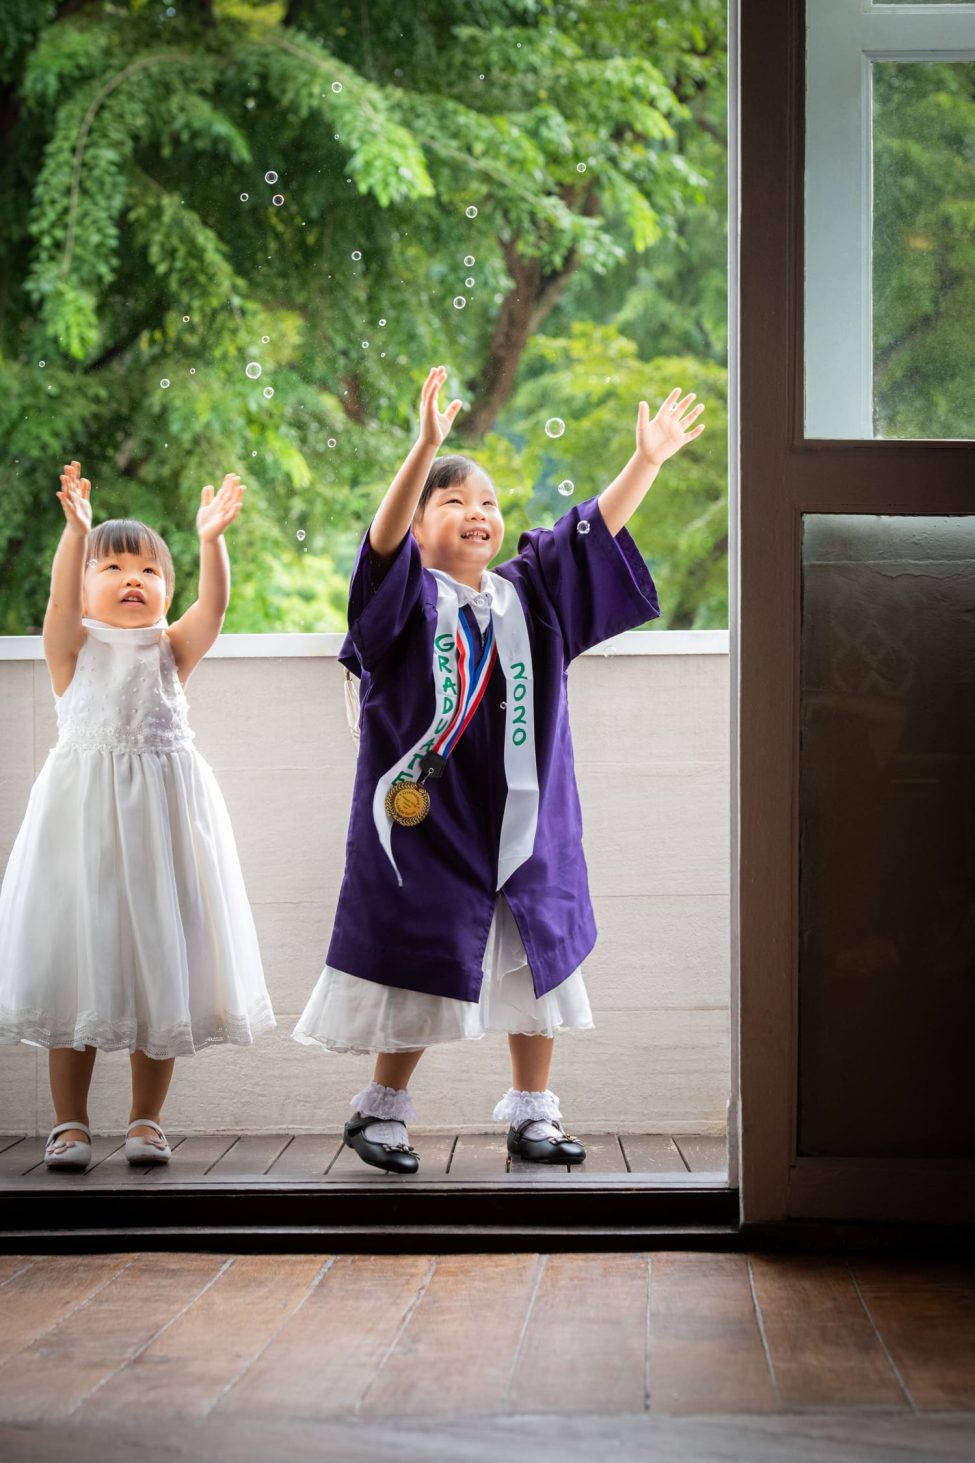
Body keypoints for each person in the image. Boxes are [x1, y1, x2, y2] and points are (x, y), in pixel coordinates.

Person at [294, 366, 705, 1173]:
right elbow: (378, 547)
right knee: (417, 965)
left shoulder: (530, 595)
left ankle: (532, 1113)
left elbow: (589, 535)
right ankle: (379, 1110)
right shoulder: (404, 603)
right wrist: (423, 450)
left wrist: (646, 462)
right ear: (417, 529)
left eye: (486, 502)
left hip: (526, 821)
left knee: (535, 962)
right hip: (428, 825)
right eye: (451, 502)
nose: (476, 512)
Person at [0, 462, 275, 1170]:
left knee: (161, 963)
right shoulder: (73, 647)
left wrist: (211, 541)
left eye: (149, 570)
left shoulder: (169, 650)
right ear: (86, 585)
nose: (133, 577)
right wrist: (75, 533)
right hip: (82, 827)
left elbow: (211, 612)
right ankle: (69, 1122)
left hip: (162, 826)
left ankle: (146, 1119)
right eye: (113, 565)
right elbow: (60, 603)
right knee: (79, 965)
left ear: (165, 591)